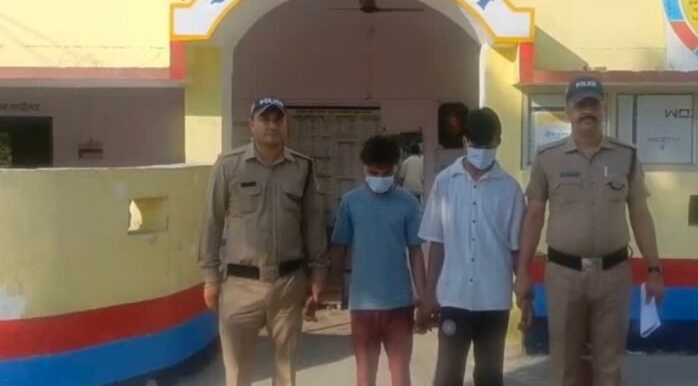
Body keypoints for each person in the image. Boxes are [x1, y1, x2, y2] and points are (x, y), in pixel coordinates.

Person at [514, 77, 665, 386]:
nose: (587, 111)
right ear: (568, 111)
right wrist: (523, 272)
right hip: (563, 276)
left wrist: (654, 270)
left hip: (613, 276)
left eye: (593, 104)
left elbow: (640, 213)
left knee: (609, 367)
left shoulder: (626, 156)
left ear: (603, 108)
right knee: (564, 368)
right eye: (580, 105)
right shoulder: (547, 158)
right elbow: (534, 215)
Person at [198, 96, 329, 386]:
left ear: (286, 125)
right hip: (240, 286)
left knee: (286, 374)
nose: (271, 125)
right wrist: (210, 278)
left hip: (288, 286)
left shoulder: (302, 168)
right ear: (252, 125)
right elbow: (211, 221)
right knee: (238, 374)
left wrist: (319, 274)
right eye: (265, 119)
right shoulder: (228, 166)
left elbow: (314, 224)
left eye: (277, 119)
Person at [418, 107, 526, 386]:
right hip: (453, 298)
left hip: (494, 300)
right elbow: (437, 242)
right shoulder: (445, 183)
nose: (480, 152)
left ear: (498, 141)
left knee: (489, 376)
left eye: (487, 145)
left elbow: (517, 249)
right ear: (465, 141)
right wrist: (429, 294)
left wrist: (525, 298)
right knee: (447, 376)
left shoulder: (510, 189)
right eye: (475, 144)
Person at [330, 134, 428, 386]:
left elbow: (416, 252)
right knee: (365, 376)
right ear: (364, 168)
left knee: (400, 375)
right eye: (374, 172)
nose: (380, 178)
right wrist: (330, 289)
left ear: (396, 168)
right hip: (362, 306)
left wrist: (424, 297)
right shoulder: (351, 203)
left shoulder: (408, 203)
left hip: (400, 305)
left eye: (386, 173)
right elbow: (339, 247)